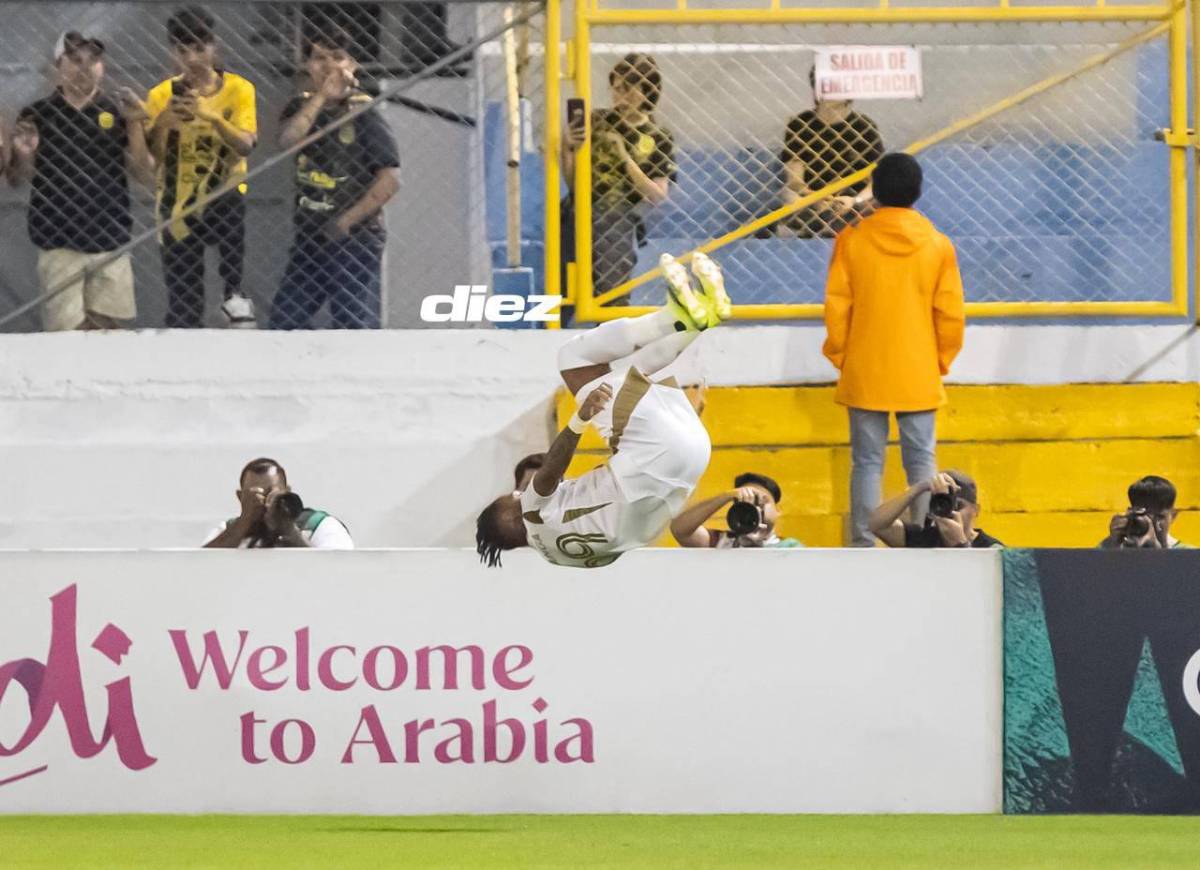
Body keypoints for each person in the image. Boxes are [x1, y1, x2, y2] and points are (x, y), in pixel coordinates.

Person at [475, 253, 731, 569]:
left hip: (689, 465)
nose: (518, 493)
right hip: (652, 456)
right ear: (512, 513)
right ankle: (673, 318)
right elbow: (550, 471)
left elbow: (614, 523)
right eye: (514, 495)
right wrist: (580, 419)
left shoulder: (562, 559)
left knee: (624, 375)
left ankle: (701, 319)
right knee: (573, 360)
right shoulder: (529, 513)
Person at [823, 153, 965, 547]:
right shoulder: (937, 245)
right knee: (922, 462)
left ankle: (864, 542)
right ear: (917, 191)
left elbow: (837, 307)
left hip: (864, 365)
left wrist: (842, 356)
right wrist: (939, 361)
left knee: (867, 462)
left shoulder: (851, 240)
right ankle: (926, 539)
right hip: (918, 367)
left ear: (877, 191)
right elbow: (950, 313)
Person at [7, 32, 153, 331]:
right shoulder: (38, 114)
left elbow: (143, 175)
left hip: (110, 238)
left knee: (107, 332)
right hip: (58, 241)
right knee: (67, 334)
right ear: (58, 65)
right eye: (75, 59)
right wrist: (23, 154)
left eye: (93, 60)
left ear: (103, 66)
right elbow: (17, 179)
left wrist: (135, 125)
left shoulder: (116, 111)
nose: (85, 67)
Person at [270, 27, 400, 330]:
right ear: (307, 66)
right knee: (285, 321)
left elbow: (390, 179)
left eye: (337, 57)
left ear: (351, 65)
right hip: (309, 236)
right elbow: (288, 140)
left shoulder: (363, 109)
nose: (328, 66)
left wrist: (346, 221)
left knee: (350, 322)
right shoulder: (301, 106)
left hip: (354, 237)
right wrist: (322, 98)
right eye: (319, 58)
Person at [145, 7, 258, 328]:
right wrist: (164, 123)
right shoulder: (161, 95)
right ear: (173, 53)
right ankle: (185, 326)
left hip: (223, 194)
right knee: (184, 306)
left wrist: (210, 116)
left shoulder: (238, 89)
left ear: (214, 46)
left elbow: (246, 144)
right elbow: (153, 160)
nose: (193, 59)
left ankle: (233, 291)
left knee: (230, 197)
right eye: (183, 51)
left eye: (199, 48)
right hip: (177, 201)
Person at [562, 53, 676, 320]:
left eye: (627, 89)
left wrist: (624, 157)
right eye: (616, 88)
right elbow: (572, 181)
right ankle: (558, 325)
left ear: (646, 92)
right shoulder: (597, 121)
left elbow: (657, 194)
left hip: (618, 215)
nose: (619, 96)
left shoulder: (658, 136)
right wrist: (567, 147)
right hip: (579, 208)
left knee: (612, 292)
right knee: (563, 286)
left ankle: (610, 325)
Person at [779, 66, 883, 238]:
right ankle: (822, 224)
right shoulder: (800, 124)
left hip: (853, 199)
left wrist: (855, 201)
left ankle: (831, 224)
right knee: (789, 197)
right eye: (823, 85)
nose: (828, 90)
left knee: (877, 200)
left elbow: (875, 180)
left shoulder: (864, 127)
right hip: (812, 198)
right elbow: (794, 180)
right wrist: (816, 198)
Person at [204, 457, 353, 549]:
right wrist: (243, 524)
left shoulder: (319, 526)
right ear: (241, 496)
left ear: (287, 491)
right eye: (255, 495)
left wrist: (290, 531)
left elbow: (337, 570)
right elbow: (200, 567)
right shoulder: (228, 530)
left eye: (272, 492)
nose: (264, 501)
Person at [870, 470, 1003, 549]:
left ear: (975, 510)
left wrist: (960, 544)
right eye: (943, 505)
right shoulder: (926, 538)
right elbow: (876, 525)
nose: (951, 512)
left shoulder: (992, 549)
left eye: (958, 506)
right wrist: (919, 488)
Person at [670, 472, 802, 549]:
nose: (755, 509)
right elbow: (680, 530)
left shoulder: (790, 548)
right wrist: (726, 496)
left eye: (762, 502)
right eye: (746, 504)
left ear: (777, 510)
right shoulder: (721, 542)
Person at [1100, 475, 1190, 549]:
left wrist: (1160, 549)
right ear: (1131, 514)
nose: (1152, 523)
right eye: (1145, 515)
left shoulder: (1189, 556)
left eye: (1160, 517)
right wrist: (1112, 546)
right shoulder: (1113, 549)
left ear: (1173, 515)